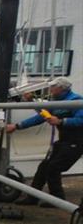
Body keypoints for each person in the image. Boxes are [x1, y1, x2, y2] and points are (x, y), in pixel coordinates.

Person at [5, 77, 83, 205]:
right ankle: (32, 197)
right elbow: (42, 116)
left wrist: (61, 121)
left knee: (53, 167)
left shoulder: (76, 101)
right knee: (43, 167)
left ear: (61, 88)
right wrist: (17, 126)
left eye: (53, 87)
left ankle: (57, 200)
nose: (50, 89)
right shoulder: (56, 102)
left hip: (77, 141)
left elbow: (81, 120)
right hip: (64, 140)